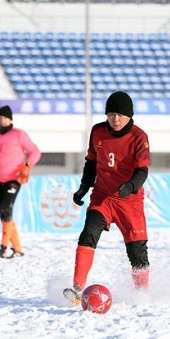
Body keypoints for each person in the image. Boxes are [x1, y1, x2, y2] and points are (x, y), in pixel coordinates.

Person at [63, 91, 150, 304]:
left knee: (137, 251)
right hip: (103, 197)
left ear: (130, 116)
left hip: (130, 201)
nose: (115, 119)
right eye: (111, 114)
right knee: (88, 233)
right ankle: (77, 289)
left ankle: (142, 294)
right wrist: (84, 187)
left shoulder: (139, 137)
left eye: (120, 114)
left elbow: (142, 171)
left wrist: (130, 186)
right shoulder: (98, 132)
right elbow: (91, 162)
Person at [0, 105, 41, 259]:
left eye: (5, 117)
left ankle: (3, 246)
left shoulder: (19, 135)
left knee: (7, 209)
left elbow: (35, 151)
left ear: (10, 119)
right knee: (3, 212)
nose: (2, 120)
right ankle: (18, 249)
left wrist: (27, 166)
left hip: (15, 178)